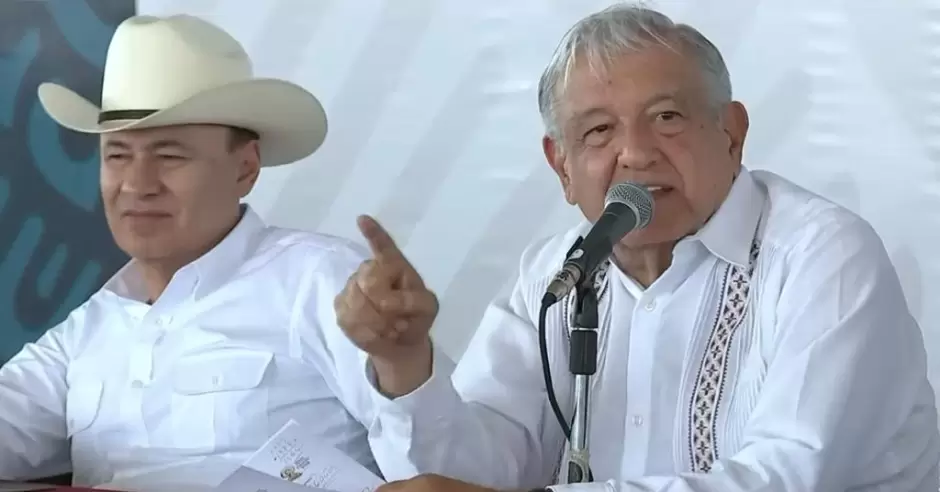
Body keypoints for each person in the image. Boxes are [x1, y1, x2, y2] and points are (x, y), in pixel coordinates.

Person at [335, 4, 940, 492]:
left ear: (731, 134)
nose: (636, 153)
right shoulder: (555, 273)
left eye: (667, 117)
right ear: (561, 166)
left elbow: (791, 476)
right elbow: (475, 473)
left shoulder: (822, 255)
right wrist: (403, 363)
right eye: (599, 130)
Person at [0, 14, 378, 490]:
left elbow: (449, 471)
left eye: (170, 155)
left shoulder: (321, 281)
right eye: (117, 155)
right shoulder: (88, 330)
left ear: (245, 168)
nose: (137, 184)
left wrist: (404, 365)